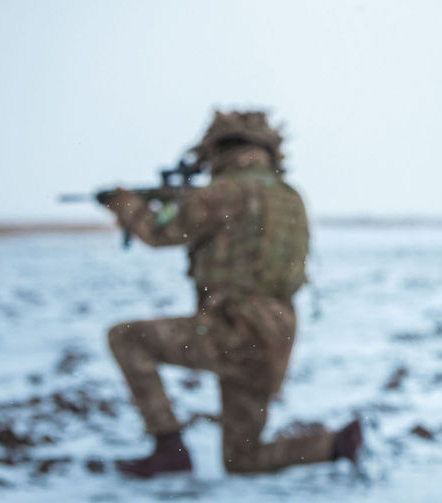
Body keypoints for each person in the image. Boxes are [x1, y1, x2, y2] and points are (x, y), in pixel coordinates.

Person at [102, 110, 362, 477]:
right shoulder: (290, 197)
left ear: (221, 148)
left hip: (232, 330)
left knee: (126, 338)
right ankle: (335, 445)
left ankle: (167, 447)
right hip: (275, 337)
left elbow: (161, 232)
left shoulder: (225, 192)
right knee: (243, 459)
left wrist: (126, 205)